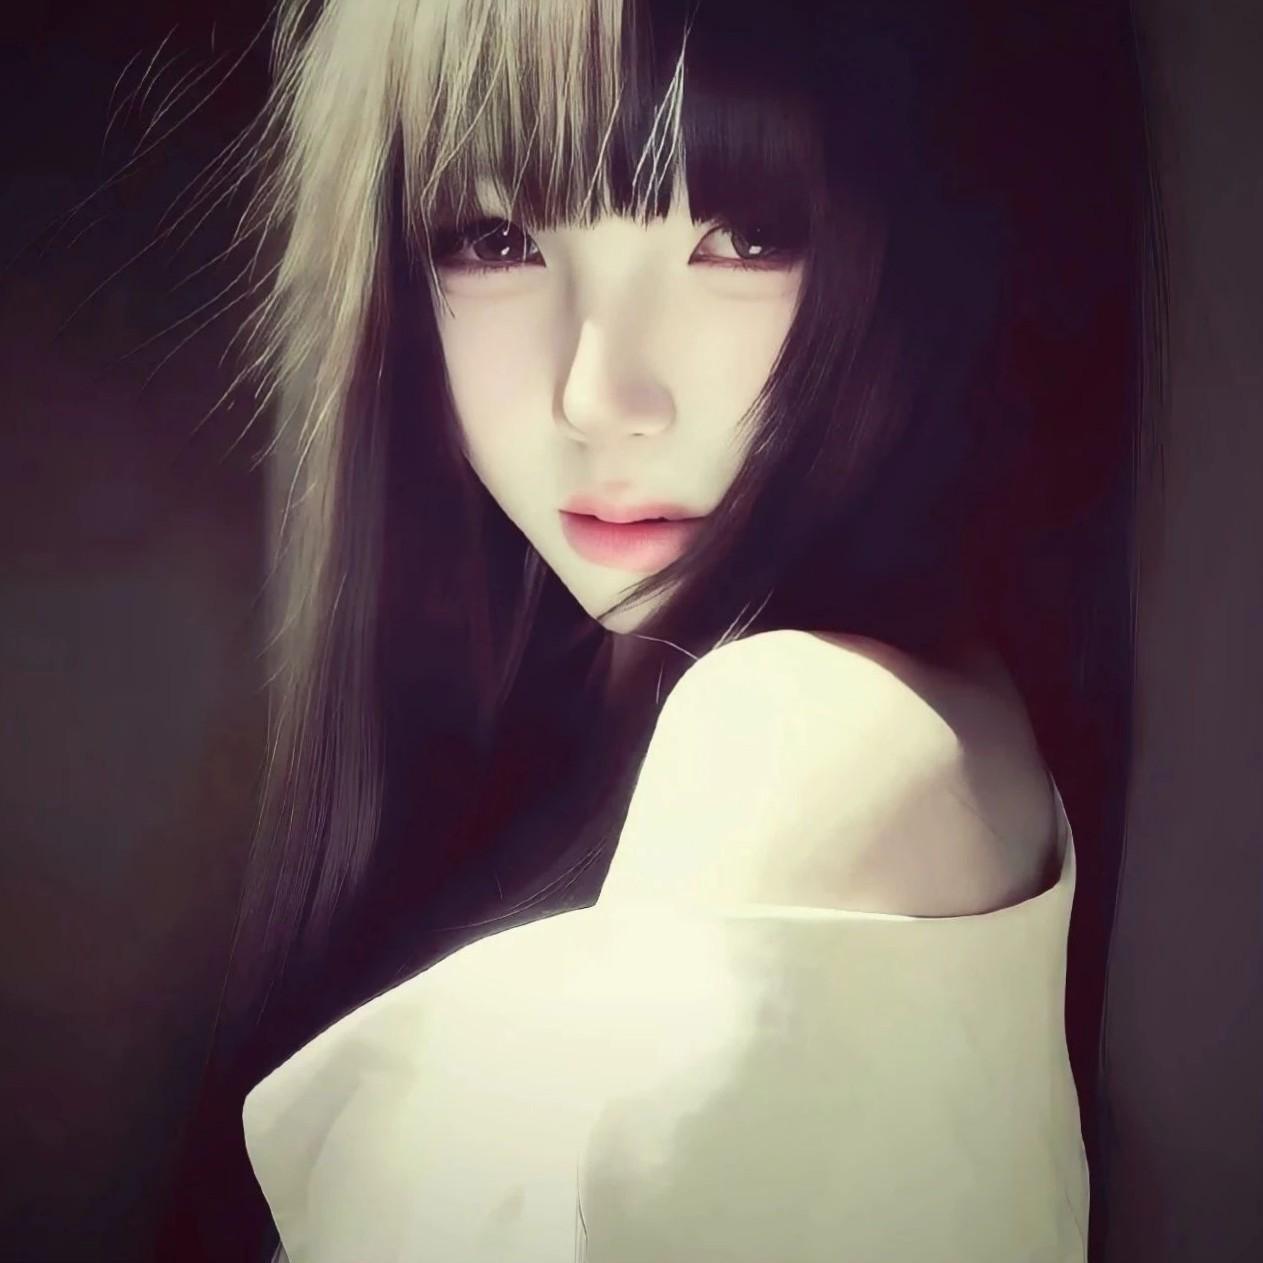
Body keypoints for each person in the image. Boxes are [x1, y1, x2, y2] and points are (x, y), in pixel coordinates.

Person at [154, 0, 1167, 1259]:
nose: (598, 396)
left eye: (744, 235)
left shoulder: (805, 736)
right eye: (494, 238)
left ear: (931, 239)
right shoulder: (559, 750)